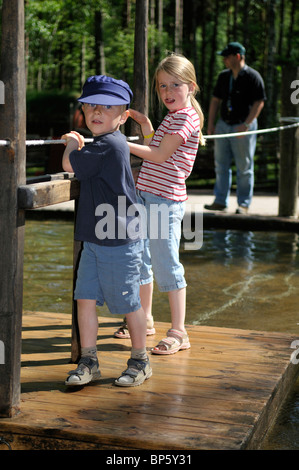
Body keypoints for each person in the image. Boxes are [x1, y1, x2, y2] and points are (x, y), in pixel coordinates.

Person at [61, 75, 152, 387]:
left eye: (107, 107)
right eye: (90, 106)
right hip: (96, 239)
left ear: (123, 116)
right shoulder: (104, 144)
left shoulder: (108, 145)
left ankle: (140, 360)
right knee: (84, 298)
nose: (96, 112)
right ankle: (89, 360)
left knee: (129, 303)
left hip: (119, 240)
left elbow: (70, 163)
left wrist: (73, 142)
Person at [114, 53, 205, 354]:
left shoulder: (186, 118)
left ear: (190, 87)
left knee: (167, 263)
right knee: (142, 260)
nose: (167, 92)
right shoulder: (174, 116)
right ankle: (146, 320)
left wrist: (118, 143)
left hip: (165, 202)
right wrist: (145, 123)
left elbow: (159, 156)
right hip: (148, 197)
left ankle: (180, 332)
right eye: (162, 86)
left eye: (174, 85)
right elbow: (156, 144)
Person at [205, 42, 266, 214]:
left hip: (243, 126)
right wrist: (211, 123)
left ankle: (243, 204)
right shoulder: (224, 76)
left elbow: (259, 102)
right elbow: (215, 100)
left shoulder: (253, 76)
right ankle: (220, 201)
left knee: (244, 167)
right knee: (220, 165)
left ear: (237, 56)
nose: (224, 59)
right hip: (224, 125)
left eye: (227, 56)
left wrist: (246, 124)